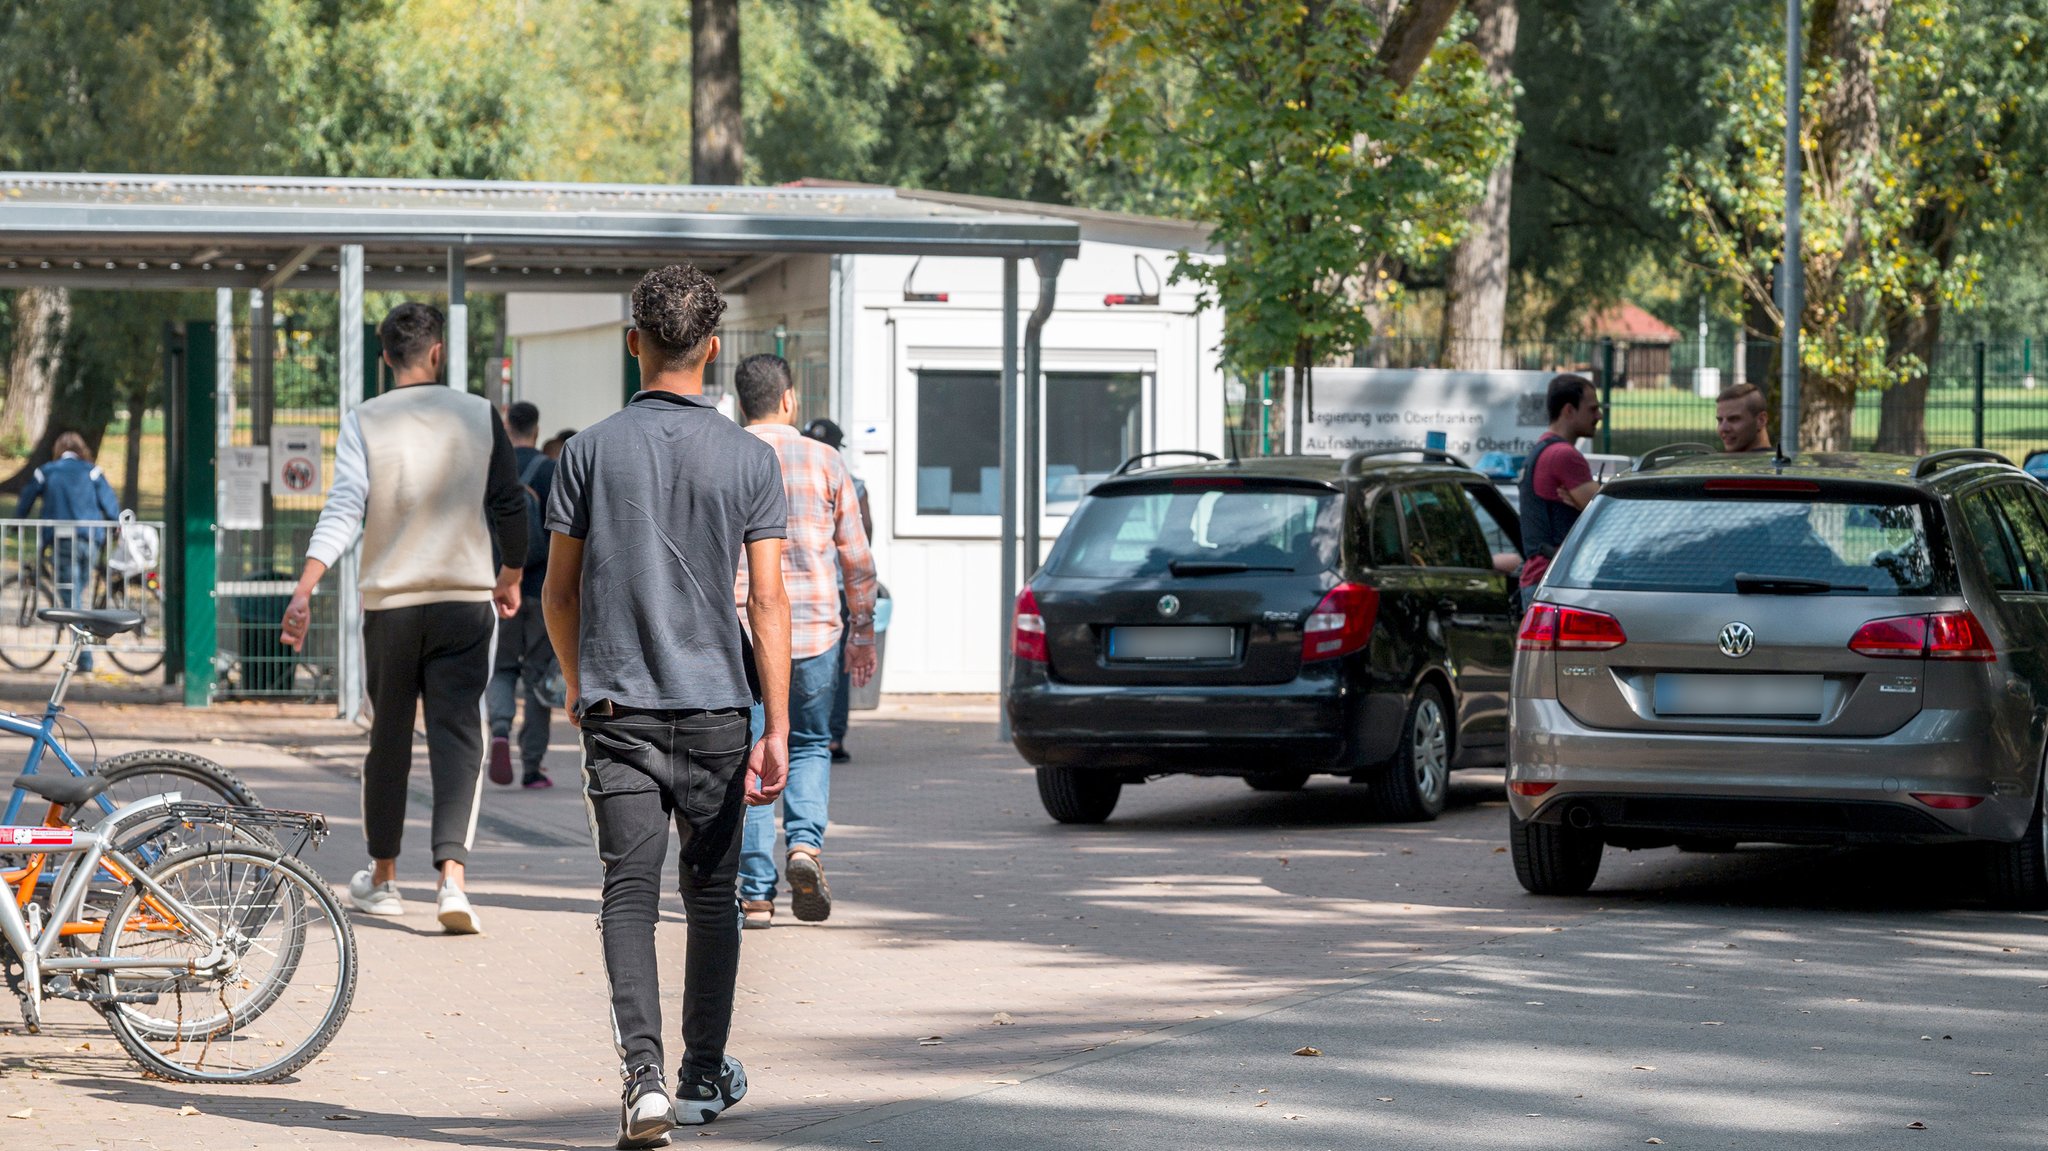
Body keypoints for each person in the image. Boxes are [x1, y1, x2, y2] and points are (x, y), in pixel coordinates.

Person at [541, 263, 792, 1144]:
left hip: (618, 709)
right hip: (721, 709)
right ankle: (698, 1079)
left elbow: (558, 593)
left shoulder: (588, 452)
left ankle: (641, 1080)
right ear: (714, 348)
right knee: (714, 896)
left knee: (627, 895)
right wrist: (780, 725)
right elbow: (766, 601)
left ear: (633, 342)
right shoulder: (751, 460)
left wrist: (578, 682)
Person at [280, 302, 527, 935]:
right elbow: (508, 501)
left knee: (388, 739)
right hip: (464, 600)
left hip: (391, 607)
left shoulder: (366, 419)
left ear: (386, 356)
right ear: (437, 353)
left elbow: (344, 508)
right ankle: (453, 881)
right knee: (459, 737)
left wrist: (305, 587)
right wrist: (510, 575)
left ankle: (383, 879)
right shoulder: (478, 413)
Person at [734, 359, 878, 930]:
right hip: (815, 628)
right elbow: (856, 557)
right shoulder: (826, 460)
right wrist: (862, 628)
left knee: (746, 753)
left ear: (742, 403)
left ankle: (755, 892)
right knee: (813, 742)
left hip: (742, 631)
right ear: (789, 400)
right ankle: (805, 848)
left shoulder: (728, 455)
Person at [487, 400, 560, 789]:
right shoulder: (549, 469)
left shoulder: (493, 467)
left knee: (501, 668)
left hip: (498, 585)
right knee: (536, 676)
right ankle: (532, 767)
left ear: (506, 425)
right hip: (540, 589)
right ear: (536, 427)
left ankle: (499, 730)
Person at [15, 431, 120, 672]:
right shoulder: (92, 471)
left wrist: (16, 524)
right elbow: (110, 504)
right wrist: (115, 526)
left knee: (70, 599)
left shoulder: (47, 471)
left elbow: (25, 501)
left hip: (63, 541)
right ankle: (84, 650)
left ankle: (84, 657)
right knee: (77, 593)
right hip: (91, 540)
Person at [801, 417, 872, 764]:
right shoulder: (853, 484)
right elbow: (862, 540)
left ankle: (792, 734)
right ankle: (832, 737)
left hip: (800, 585)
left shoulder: (787, 472)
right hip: (837, 589)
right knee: (837, 666)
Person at [1517, 374, 1603, 595]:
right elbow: (1606, 516)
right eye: (1592, 409)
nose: (1599, 416)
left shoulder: (1542, 449)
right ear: (1568, 411)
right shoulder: (1564, 455)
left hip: (1540, 578)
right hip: (1557, 580)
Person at [1715, 382, 1775, 454]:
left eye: (1733, 419)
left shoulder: (1776, 464)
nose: (1723, 428)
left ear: (1761, 420)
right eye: (1720, 420)